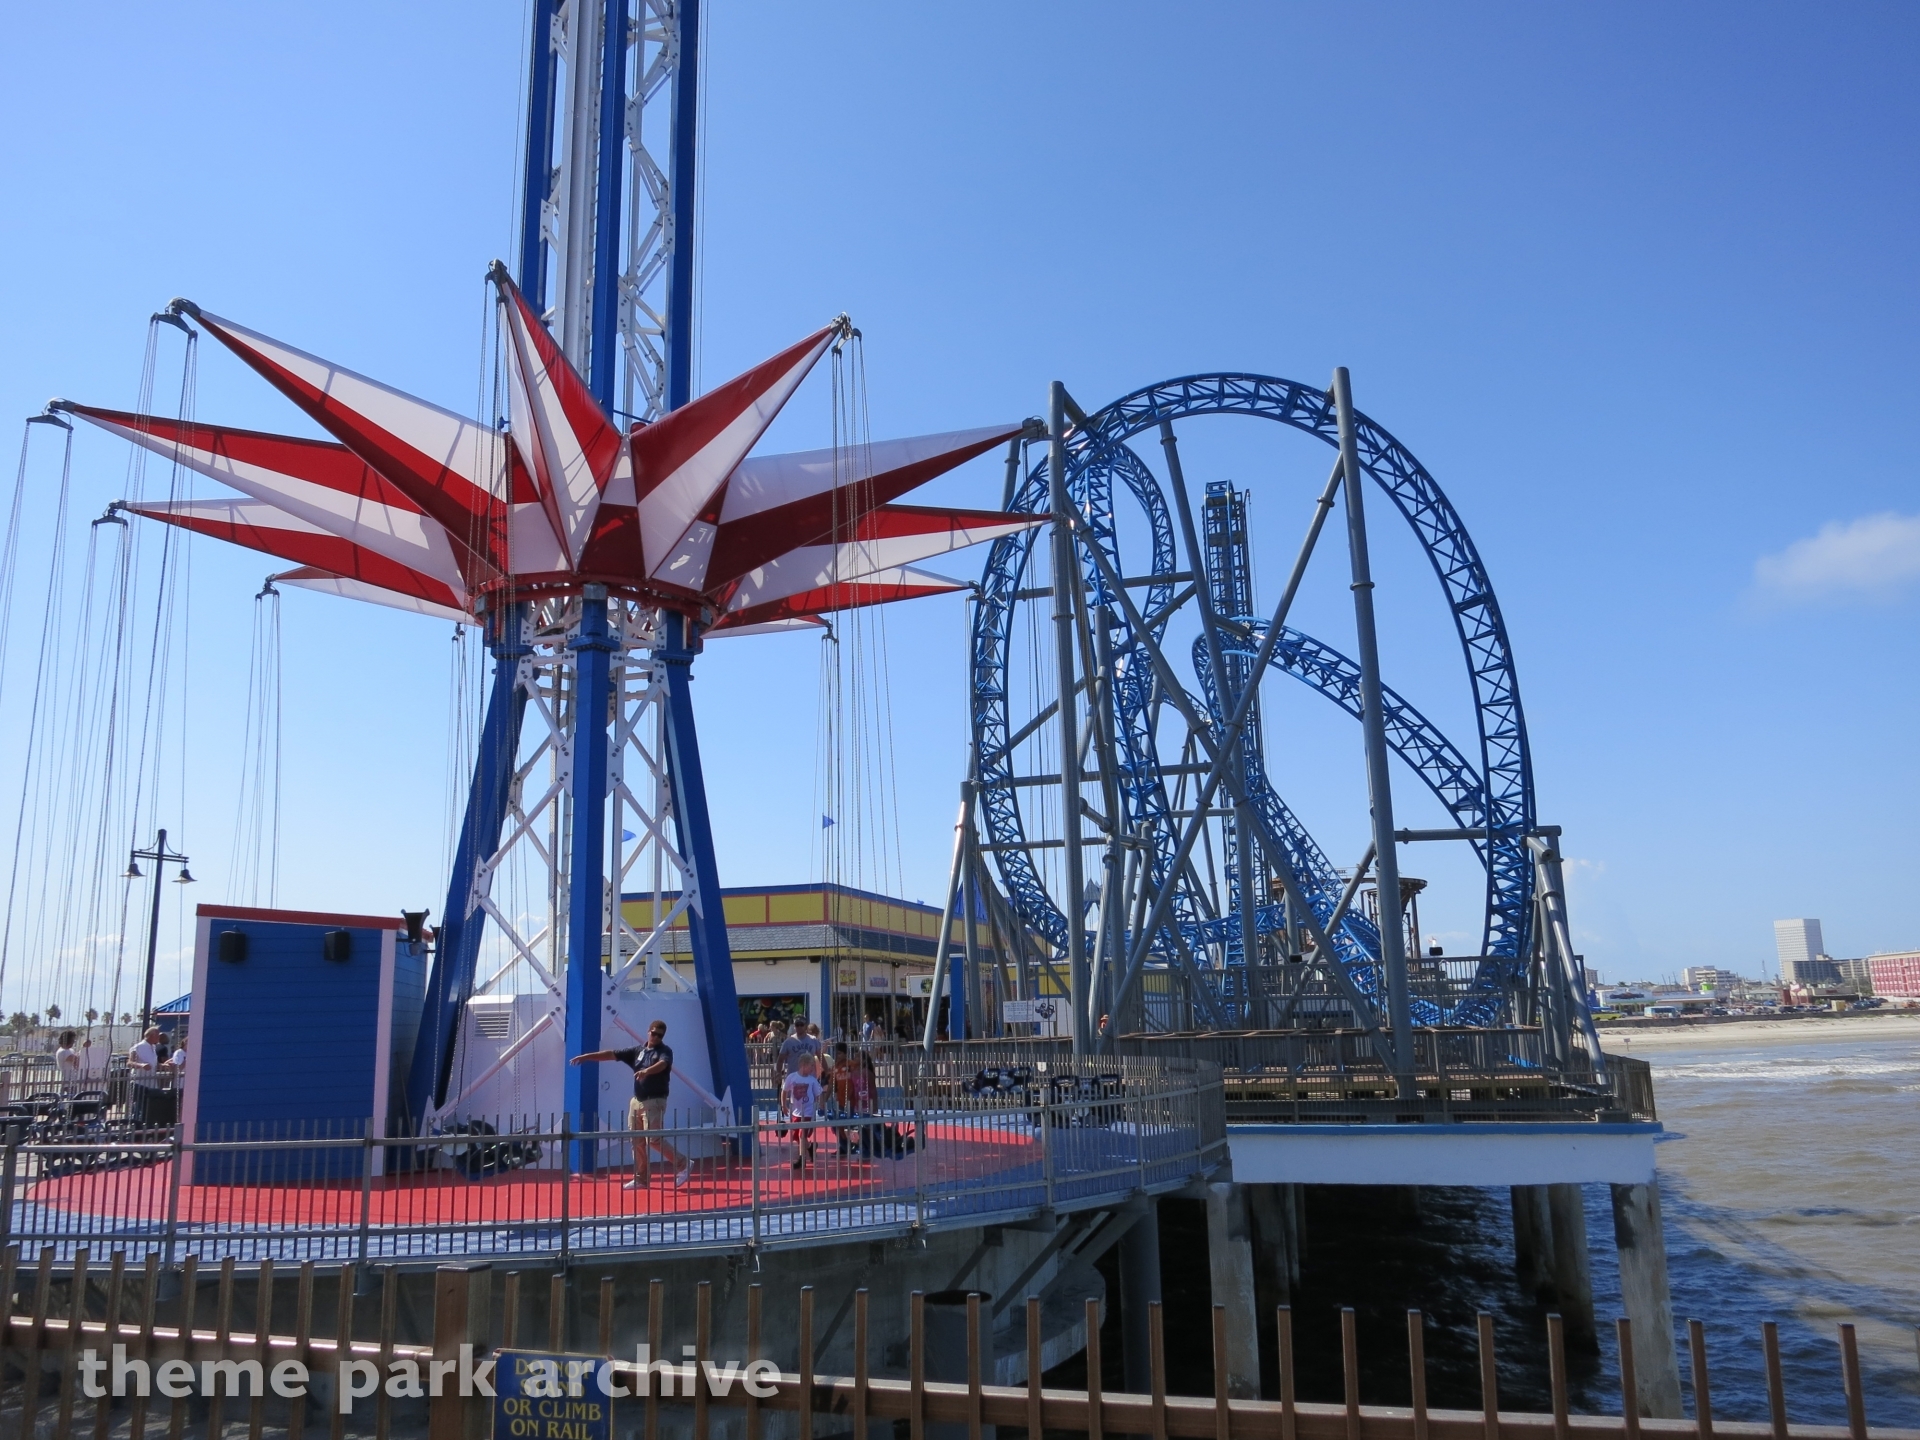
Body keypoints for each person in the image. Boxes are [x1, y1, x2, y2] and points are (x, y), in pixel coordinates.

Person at [570, 1020, 690, 1190]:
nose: (656, 1037)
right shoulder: (638, 1051)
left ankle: (683, 1164)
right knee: (636, 1141)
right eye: (654, 1033)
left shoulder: (665, 1051)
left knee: (654, 1139)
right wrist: (586, 1057)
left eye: (660, 1035)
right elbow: (611, 1054)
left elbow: (662, 1064)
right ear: (648, 1031)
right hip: (637, 1100)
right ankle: (641, 1179)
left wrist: (646, 1071)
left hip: (654, 1100)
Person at [781, 1054, 822, 1170]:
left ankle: (801, 1159)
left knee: (801, 1135)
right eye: (811, 1066)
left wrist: (820, 1105)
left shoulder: (812, 1080)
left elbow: (818, 1094)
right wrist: (784, 1105)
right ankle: (810, 1147)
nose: (812, 1069)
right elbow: (784, 1091)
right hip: (796, 1112)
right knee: (797, 1137)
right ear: (803, 1065)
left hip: (808, 1112)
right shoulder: (792, 1077)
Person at [128, 1026, 173, 1126]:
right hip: (139, 1083)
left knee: (149, 1108)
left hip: (151, 1084)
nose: (159, 1037)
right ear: (152, 1036)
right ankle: (135, 1128)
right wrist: (141, 1065)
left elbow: (154, 1064)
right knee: (139, 1109)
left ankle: (146, 1127)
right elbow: (130, 1062)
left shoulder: (153, 1048)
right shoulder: (138, 1047)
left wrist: (164, 1066)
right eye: (157, 1035)